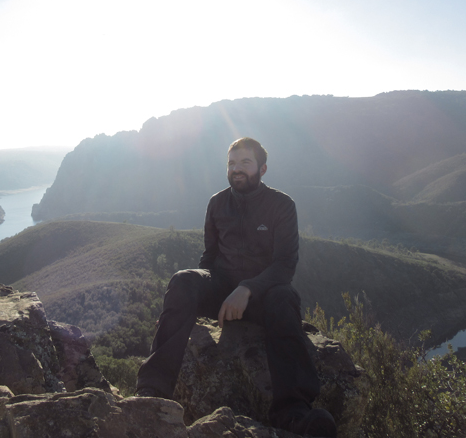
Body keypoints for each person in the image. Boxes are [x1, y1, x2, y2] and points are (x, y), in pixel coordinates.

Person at [135, 137, 337, 437]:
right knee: (181, 281)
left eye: (245, 163)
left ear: (262, 168)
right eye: (231, 163)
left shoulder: (282, 205)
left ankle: (293, 413)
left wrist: (246, 288)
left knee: (284, 298)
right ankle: (151, 393)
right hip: (220, 290)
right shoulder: (217, 203)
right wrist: (180, 305)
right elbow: (209, 257)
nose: (236, 169)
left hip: (263, 295)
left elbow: (284, 266)